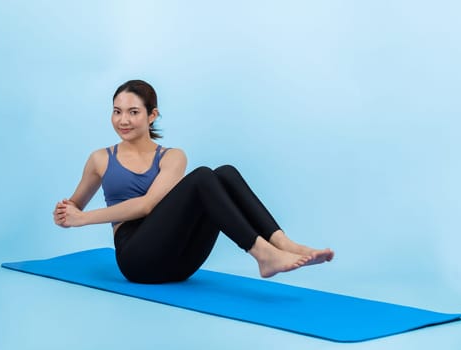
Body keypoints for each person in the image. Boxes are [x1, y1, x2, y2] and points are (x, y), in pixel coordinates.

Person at [53, 80, 334, 284]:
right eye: (117, 111)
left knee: (224, 173)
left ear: (152, 116)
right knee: (203, 177)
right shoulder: (100, 159)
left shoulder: (172, 157)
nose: (123, 120)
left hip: (182, 262)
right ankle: (264, 253)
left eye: (133, 112)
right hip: (137, 261)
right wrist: (67, 214)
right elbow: (75, 207)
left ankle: (283, 244)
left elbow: (148, 205)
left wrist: (83, 218)